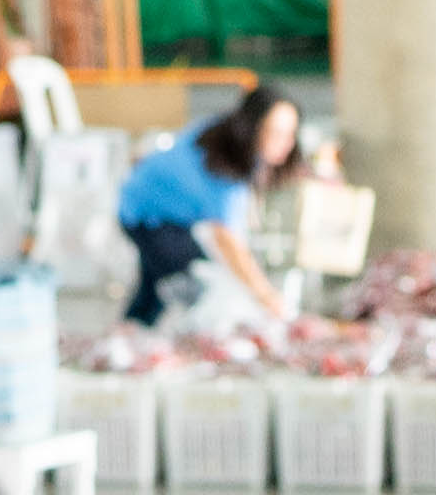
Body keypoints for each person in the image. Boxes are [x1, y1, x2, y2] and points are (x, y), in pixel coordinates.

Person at [122, 84, 305, 326]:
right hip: (146, 215)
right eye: (276, 133)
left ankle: (129, 334)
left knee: (155, 289)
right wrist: (267, 297)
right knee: (197, 290)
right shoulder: (222, 170)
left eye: (290, 134)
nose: (286, 143)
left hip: (154, 206)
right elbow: (230, 243)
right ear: (253, 130)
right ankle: (137, 341)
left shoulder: (224, 133)